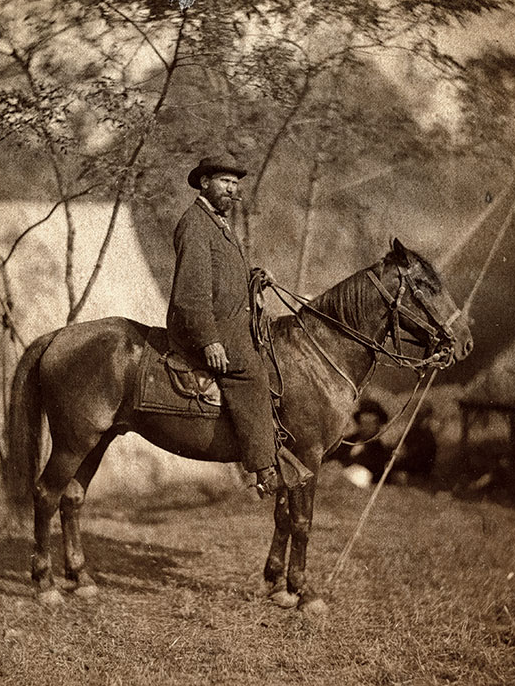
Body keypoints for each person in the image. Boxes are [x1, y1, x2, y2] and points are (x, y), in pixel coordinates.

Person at [167, 153, 306, 497]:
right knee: (251, 372)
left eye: (235, 185)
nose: (232, 191)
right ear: (204, 183)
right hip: (204, 328)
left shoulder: (218, 224)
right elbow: (191, 292)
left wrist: (254, 278)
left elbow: (225, 278)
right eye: (225, 183)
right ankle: (263, 470)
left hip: (228, 323)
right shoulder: (195, 224)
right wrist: (209, 341)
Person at [330, 398, 394, 483]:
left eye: (370, 424)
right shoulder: (346, 441)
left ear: (378, 426)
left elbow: (376, 471)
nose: (366, 428)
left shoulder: (380, 450)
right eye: (363, 423)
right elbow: (332, 458)